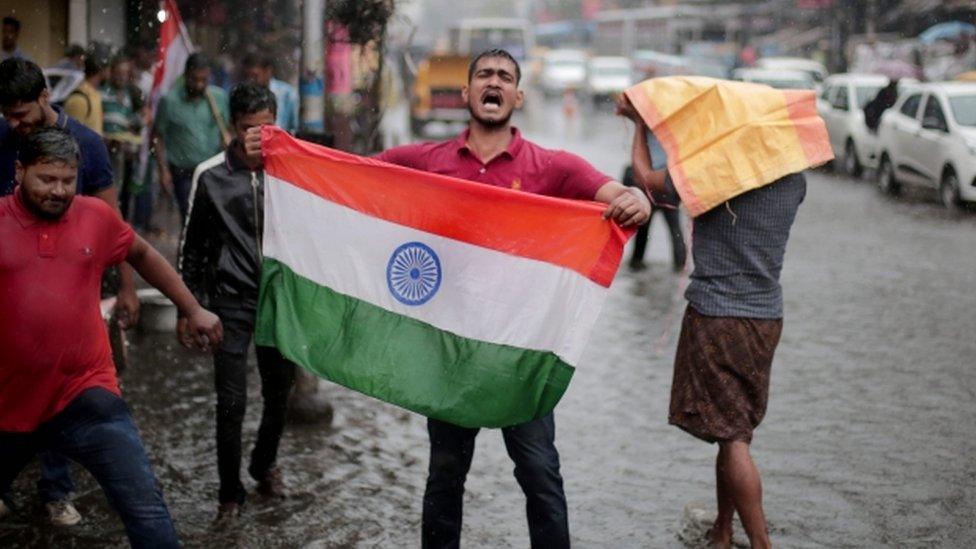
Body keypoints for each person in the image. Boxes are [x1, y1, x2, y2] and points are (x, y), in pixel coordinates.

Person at [261, 48, 645, 548]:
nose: (494, 82)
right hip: (447, 352)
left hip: (517, 353)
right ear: (466, 93)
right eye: (484, 74)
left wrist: (631, 200)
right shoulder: (427, 161)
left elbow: (612, 194)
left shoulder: (552, 167)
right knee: (445, 475)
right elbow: (348, 177)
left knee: (540, 475)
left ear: (518, 96)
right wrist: (274, 151)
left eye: (505, 77)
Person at [0, 126, 223, 547]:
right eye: (46, 179)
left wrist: (191, 307)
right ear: (19, 171)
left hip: (86, 393)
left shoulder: (94, 216)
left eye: (67, 180)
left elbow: (140, 251)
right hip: (9, 403)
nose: (59, 191)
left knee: (147, 509)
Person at [619, 93, 805, 549]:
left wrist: (639, 125)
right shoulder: (794, 181)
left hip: (717, 316)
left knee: (734, 435)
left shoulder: (711, 176)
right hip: (766, 318)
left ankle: (760, 543)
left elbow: (645, 180)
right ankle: (723, 531)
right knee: (735, 428)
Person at [0, 56, 141, 525]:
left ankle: (55, 491)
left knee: (65, 382)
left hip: (77, 284)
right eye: (8, 116)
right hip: (12, 284)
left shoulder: (88, 146)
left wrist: (126, 289)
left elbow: (115, 226)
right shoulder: (5, 141)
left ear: (45, 98)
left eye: (21, 113)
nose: (15, 124)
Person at [179, 82, 297, 525]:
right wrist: (188, 308)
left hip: (280, 302)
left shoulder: (293, 171)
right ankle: (230, 493)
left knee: (279, 394)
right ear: (233, 126)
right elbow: (192, 249)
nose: (259, 137)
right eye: (250, 128)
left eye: (268, 127)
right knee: (230, 404)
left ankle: (263, 464)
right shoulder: (210, 175)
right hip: (230, 301)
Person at [154, 52, 230, 222]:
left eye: (203, 80)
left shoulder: (218, 98)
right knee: (190, 216)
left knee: (213, 218)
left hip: (213, 170)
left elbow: (230, 128)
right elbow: (158, 136)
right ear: (186, 75)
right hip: (184, 173)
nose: (198, 84)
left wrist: (228, 141)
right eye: (194, 79)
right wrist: (163, 170)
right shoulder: (169, 101)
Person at [621, 128, 686, 272]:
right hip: (667, 180)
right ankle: (680, 270)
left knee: (644, 231)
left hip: (649, 181)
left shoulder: (645, 121)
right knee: (675, 229)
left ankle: (636, 266)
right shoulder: (669, 122)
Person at [102, 53, 151, 232]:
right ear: (111, 72)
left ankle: (120, 229)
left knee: (125, 193)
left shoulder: (131, 94)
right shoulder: (102, 92)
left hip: (126, 152)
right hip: (107, 150)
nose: (121, 77)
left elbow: (135, 120)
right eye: (118, 73)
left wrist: (137, 122)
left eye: (125, 73)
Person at [242, 53, 299, 134]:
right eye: (248, 76)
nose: (251, 80)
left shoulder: (287, 94)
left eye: (255, 76)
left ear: (268, 71)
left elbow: (294, 127)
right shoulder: (243, 95)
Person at [64, 46, 109, 135]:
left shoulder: (95, 94)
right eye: (108, 68)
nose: (110, 72)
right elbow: (72, 137)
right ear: (101, 70)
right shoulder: (79, 99)